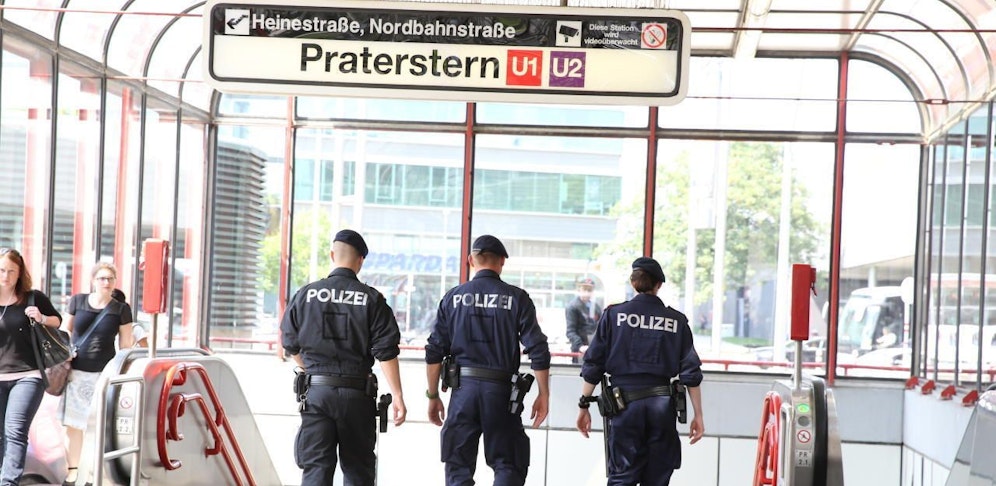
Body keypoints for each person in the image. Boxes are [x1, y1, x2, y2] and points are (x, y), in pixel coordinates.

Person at [280, 229, 407, 486]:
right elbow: (386, 351)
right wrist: (398, 396)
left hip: (316, 395)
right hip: (357, 397)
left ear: (332, 255)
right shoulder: (372, 299)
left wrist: (312, 371)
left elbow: (289, 343)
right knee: (359, 470)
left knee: (316, 468)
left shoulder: (306, 294)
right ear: (361, 260)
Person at [424, 234, 551, 486]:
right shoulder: (517, 298)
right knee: (508, 463)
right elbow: (538, 348)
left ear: (471, 260)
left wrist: (433, 395)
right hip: (502, 393)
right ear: (502, 262)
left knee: (458, 465)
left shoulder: (453, 297)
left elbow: (434, 350)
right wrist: (543, 393)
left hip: (462, 392)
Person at [576, 257, 704, 486]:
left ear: (633, 283)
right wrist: (698, 415)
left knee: (622, 477)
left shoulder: (614, 315)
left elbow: (594, 363)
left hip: (624, 408)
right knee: (657, 479)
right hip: (662, 408)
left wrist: (584, 404)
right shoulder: (676, 320)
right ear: (659, 285)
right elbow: (691, 372)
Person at [60, 263, 134, 486]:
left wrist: (121, 374)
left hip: (103, 374)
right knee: (72, 425)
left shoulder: (121, 309)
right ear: (93, 280)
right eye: (102, 278)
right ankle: (73, 472)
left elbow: (126, 344)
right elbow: (65, 331)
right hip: (75, 372)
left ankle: (91, 473)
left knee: (98, 425)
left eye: (111, 278)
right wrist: (64, 352)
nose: (106, 282)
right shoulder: (78, 301)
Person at [0, 248, 62, 485]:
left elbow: (57, 321)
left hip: (28, 376)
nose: (5, 276)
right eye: (2, 270)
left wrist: (41, 318)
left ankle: (9, 482)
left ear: (19, 274)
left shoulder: (32, 297)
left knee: (15, 431)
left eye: (11, 271)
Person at [565, 277, 602, 364]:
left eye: (589, 290)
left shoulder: (595, 307)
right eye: (584, 289)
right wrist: (580, 346)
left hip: (593, 346)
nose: (587, 293)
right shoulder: (573, 307)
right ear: (579, 290)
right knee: (580, 373)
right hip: (580, 349)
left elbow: (600, 326)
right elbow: (570, 331)